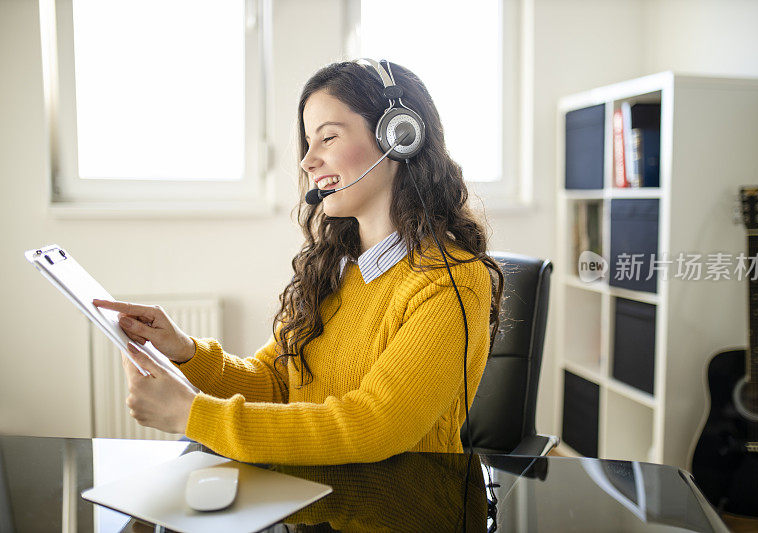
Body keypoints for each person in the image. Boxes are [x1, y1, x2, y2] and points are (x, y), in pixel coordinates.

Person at [93, 59, 504, 466]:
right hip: (311, 504)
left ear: (399, 138)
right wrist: (184, 352)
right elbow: (275, 382)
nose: (308, 161)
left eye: (328, 138)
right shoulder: (336, 270)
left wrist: (190, 414)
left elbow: (374, 425)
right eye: (308, 143)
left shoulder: (451, 282)